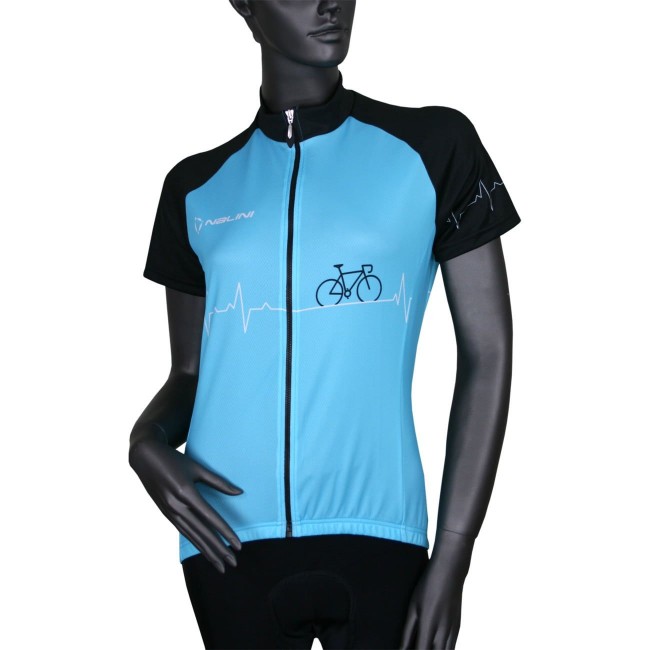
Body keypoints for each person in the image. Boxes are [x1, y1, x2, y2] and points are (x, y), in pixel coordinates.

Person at [129, 1, 521, 648]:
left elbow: (488, 353)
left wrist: (456, 549)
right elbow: (191, 372)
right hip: (226, 542)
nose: (328, 2)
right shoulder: (196, 188)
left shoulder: (433, 146)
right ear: (246, 7)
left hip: (380, 534)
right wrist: (145, 440)